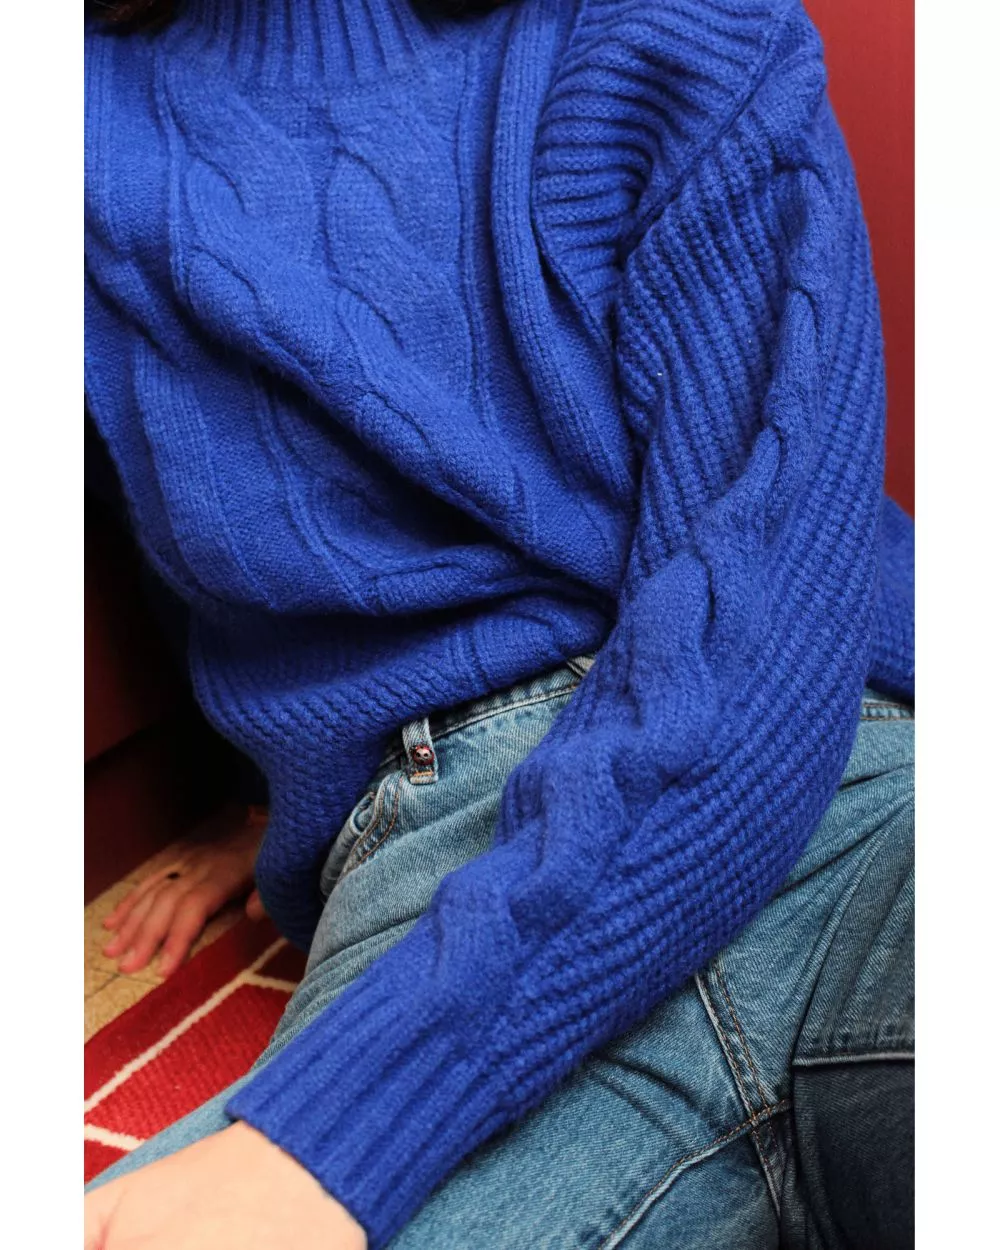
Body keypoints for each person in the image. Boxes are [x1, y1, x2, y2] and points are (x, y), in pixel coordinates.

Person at [83, 1, 915, 1248]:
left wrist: (345, 1122)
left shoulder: (673, 27)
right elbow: (191, 496)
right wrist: (256, 799)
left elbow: (771, 617)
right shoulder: (72, 125)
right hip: (439, 844)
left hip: (855, 771)